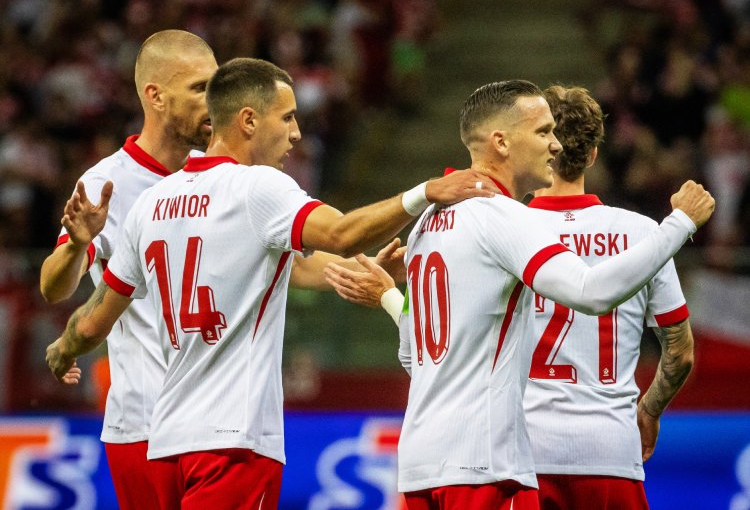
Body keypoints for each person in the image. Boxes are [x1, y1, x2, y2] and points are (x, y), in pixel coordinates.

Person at [44, 57, 499, 509]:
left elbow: (90, 324)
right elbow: (342, 234)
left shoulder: (151, 203)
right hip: (234, 440)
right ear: (248, 120)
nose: (297, 133)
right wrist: (423, 194)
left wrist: (63, 348)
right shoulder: (258, 188)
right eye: (287, 118)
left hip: (164, 442)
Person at [323, 79, 713, 509]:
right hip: (492, 467)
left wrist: (387, 295)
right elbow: (590, 291)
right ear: (501, 142)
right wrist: (679, 224)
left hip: (422, 465)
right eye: (543, 133)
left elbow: (416, 354)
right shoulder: (505, 217)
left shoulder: (428, 224)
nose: (554, 146)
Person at [39, 29, 219, 510]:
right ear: (155, 96)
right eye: (200, 88)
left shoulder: (225, 176)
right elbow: (54, 289)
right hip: (143, 422)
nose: (214, 102)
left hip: (219, 422)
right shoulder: (105, 184)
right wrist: (77, 246)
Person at [522, 85, 694, 509]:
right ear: (594, 154)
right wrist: (649, 410)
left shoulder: (505, 230)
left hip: (523, 454)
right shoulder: (643, 233)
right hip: (610, 454)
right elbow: (681, 351)